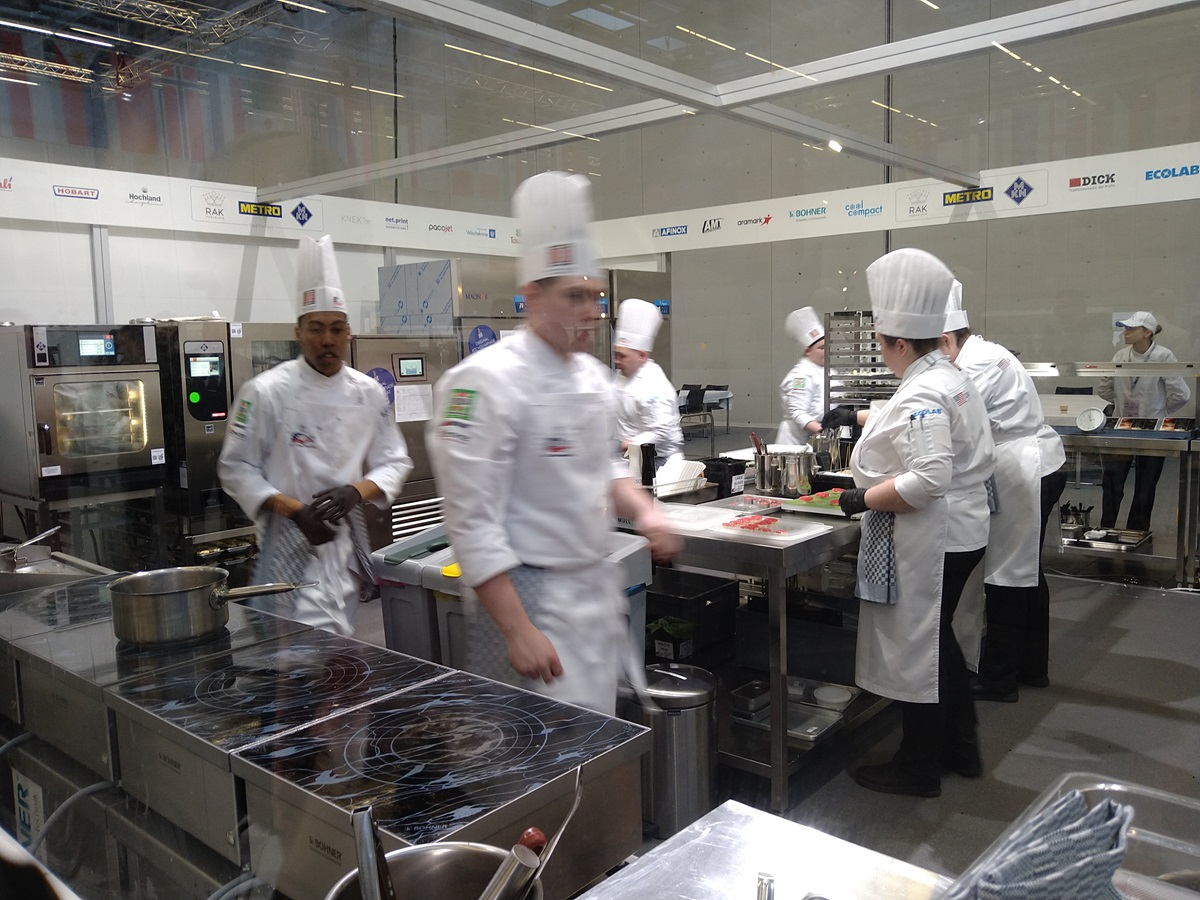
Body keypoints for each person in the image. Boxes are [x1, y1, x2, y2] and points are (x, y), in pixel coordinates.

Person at [426, 171, 681, 716]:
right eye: (575, 297)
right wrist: (517, 629)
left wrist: (645, 511)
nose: (592, 311)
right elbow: (471, 522)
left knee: (594, 742)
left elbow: (606, 465)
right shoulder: (482, 383)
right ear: (530, 298)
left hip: (590, 596)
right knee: (528, 751)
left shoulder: (592, 378)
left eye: (596, 296)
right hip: (527, 601)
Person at [837, 248, 994, 798]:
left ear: (901, 343)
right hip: (963, 529)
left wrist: (860, 499)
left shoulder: (927, 388)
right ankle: (960, 747)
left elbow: (928, 479)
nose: (880, 354)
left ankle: (918, 766)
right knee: (940, 641)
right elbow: (906, 421)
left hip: (938, 535)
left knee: (922, 648)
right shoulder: (946, 375)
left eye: (881, 344)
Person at [218, 235, 413, 636]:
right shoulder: (265, 392)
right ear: (298, 332)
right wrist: (297, 512)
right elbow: (236, 468)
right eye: (317, 329)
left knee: (338, 647)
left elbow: (394, 460)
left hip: (343, 547)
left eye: (337, 329)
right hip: (288, 545)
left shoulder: (368, 393)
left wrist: (354, 492)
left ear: (349, 334)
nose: (327, 339)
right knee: (294, 651)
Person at [940, 282, 1067, 703]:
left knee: (1007, 574)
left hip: (1022, 467)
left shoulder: (975, 365)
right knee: (1026, 568)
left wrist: (864, 417)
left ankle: (999, 680)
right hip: (1033, 462)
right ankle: (1033, 667)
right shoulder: (979, 353)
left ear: (945, 340)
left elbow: (945, 417)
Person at [1097, 311, 1191, 530]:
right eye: (1125, 328)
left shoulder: (1163, 356)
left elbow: (1182, 394)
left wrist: (1158, 411)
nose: (1125, 332)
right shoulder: (1120, 356)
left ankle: (1137, 533)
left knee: (1145, 486)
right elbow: (1104, 388)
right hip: (1121, 427)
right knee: (1112, 482)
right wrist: (1121, 403)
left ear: (1147, 332)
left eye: (1131, 328)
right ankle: (1106, 530)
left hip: (1153, 430)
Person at [612, 297, 683, 470]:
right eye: (616, 354)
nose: (616, 361)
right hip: (630, 459)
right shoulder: (622, 376)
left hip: (660, 463)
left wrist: (627, 444)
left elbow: (662, 431)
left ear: (642, 355)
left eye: (622, 356)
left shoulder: (654, 385)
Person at [776, 306, 827, 443]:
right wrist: (824, 432)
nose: (826, 351)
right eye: (821, 348)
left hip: (814, 438)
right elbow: (798, 413)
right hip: (795, 440)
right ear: (807, 351)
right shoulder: (800, 376)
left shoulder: (826, 370)